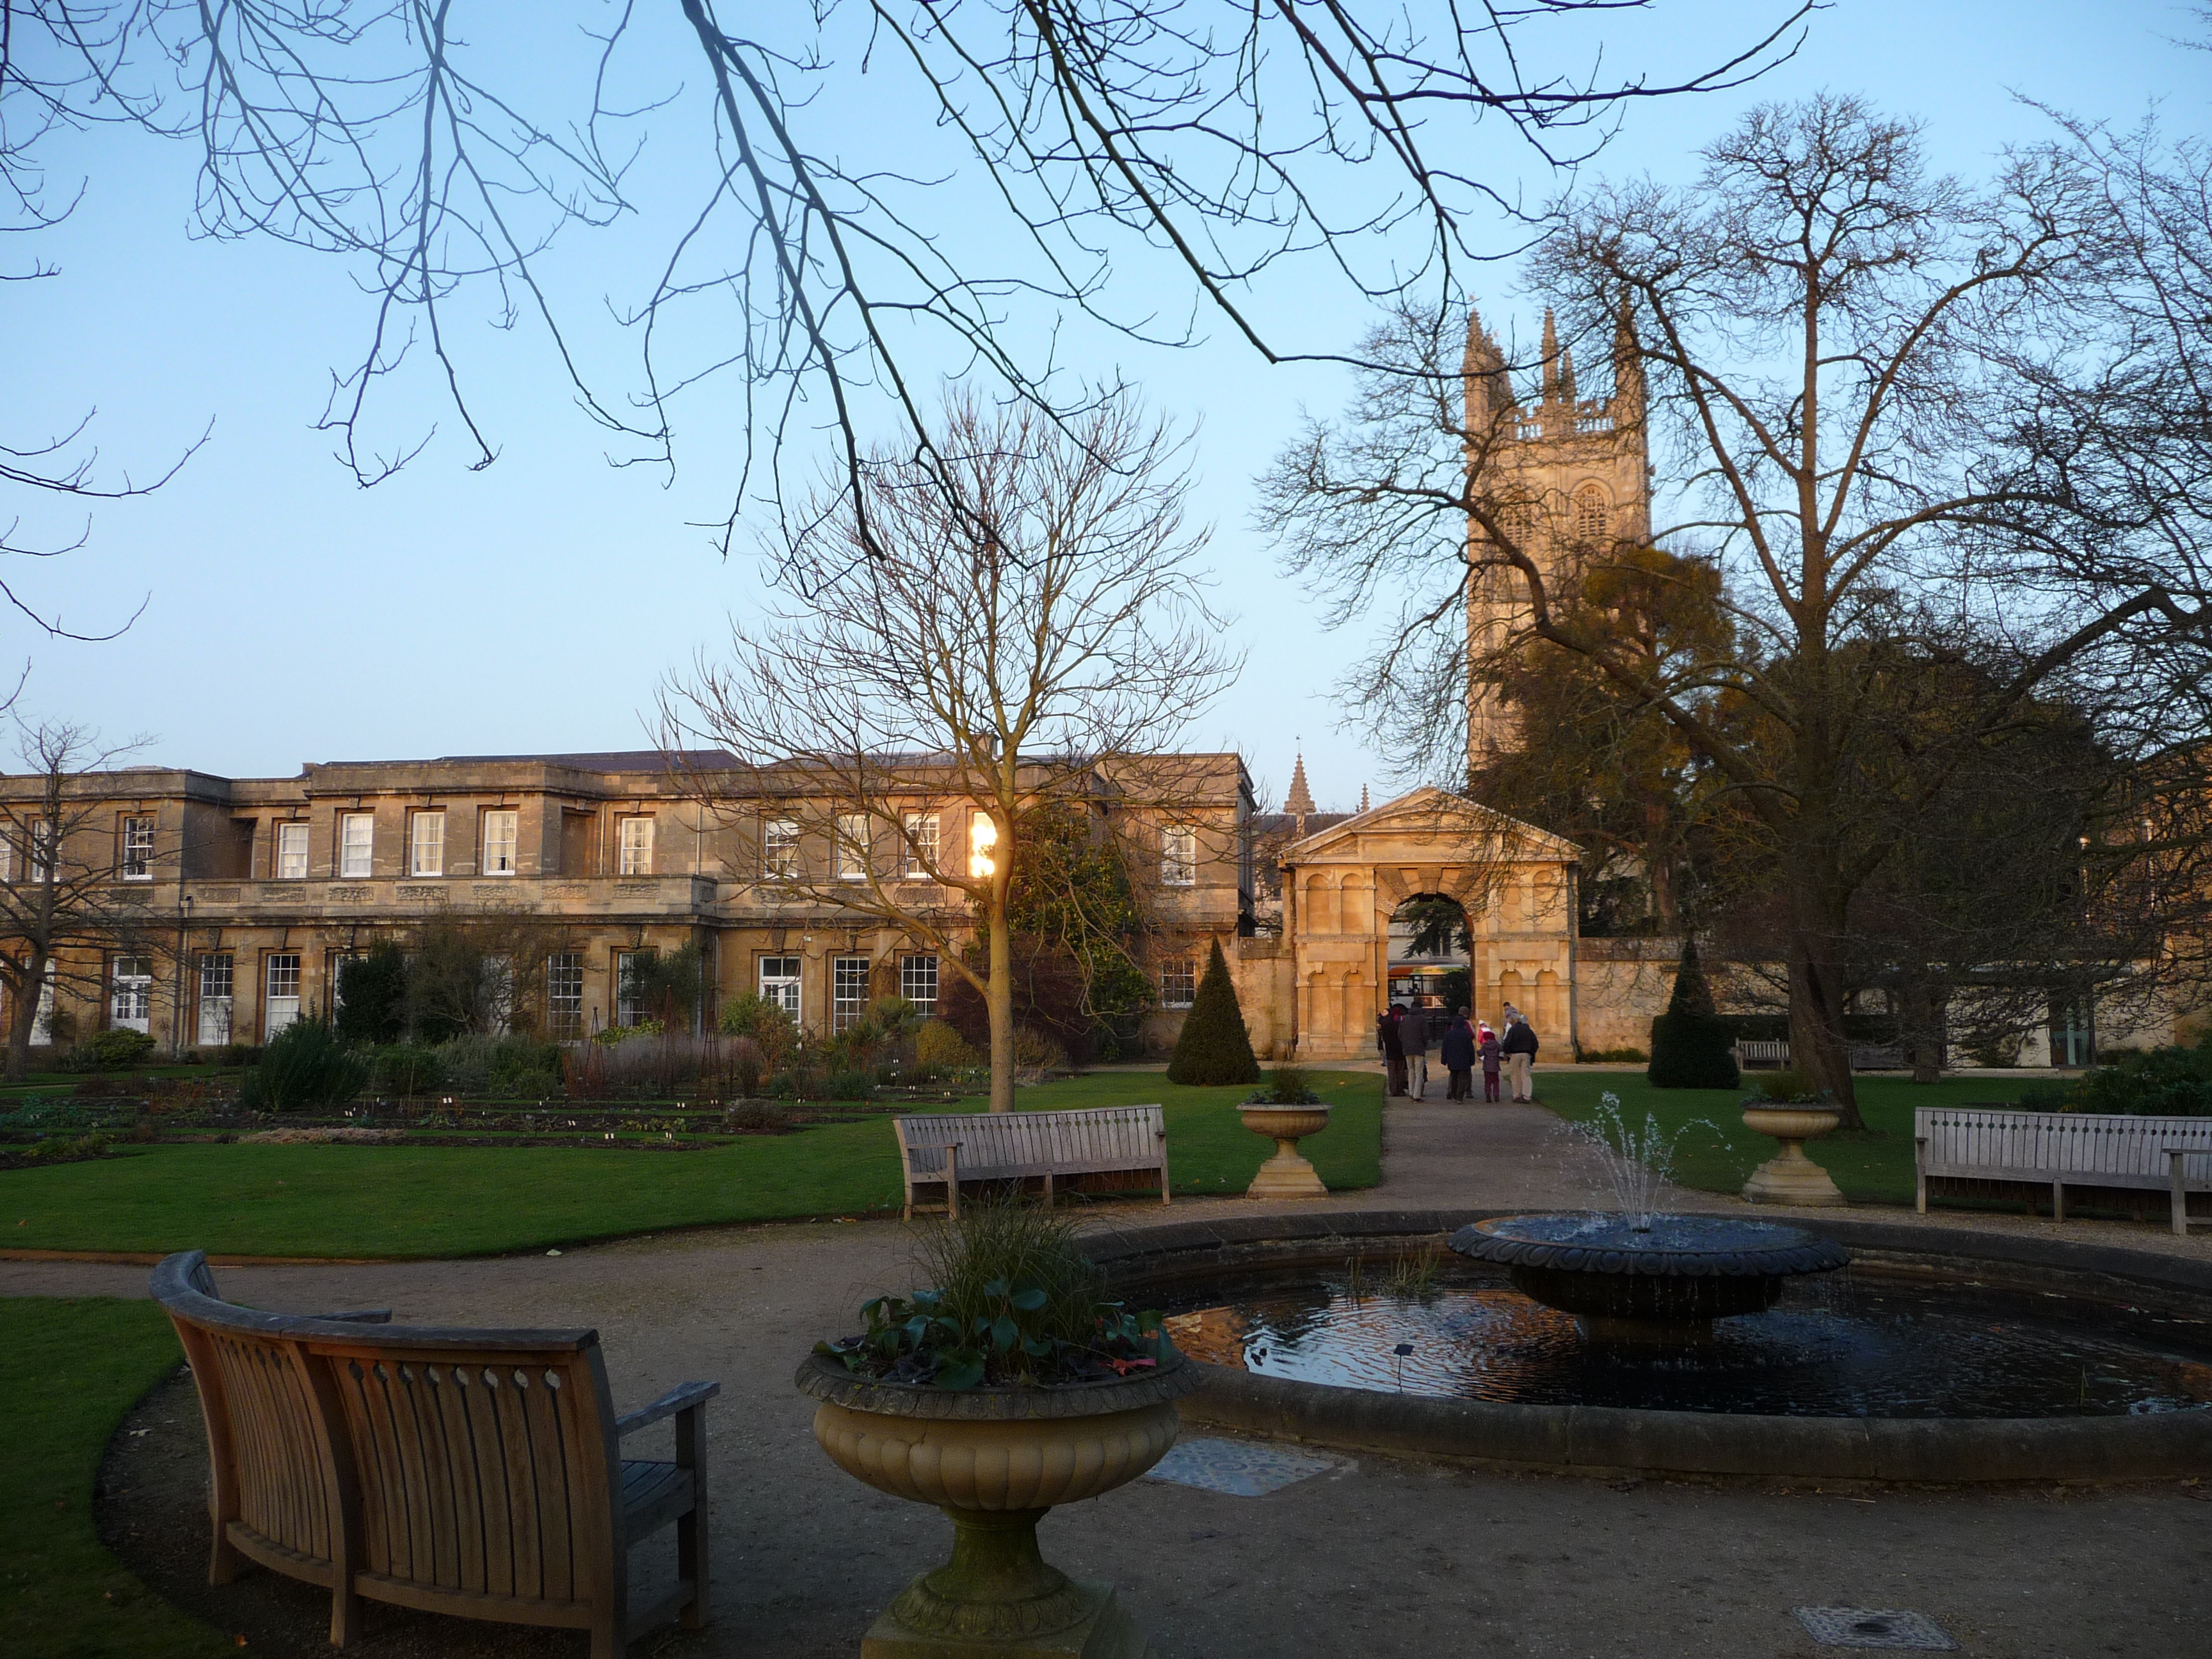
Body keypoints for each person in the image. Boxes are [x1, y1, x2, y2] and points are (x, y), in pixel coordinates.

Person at [1439, 1006, 1476, 1102]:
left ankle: (1452, 1093)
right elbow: (1471, 1047)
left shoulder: (1449, 1033)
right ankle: (1461, 1095)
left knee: (1453, 1077)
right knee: (1464, 1078)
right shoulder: (1466, 1033)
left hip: (1452, 1059)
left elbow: (1445, 1048)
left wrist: (1444, 1059)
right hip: (1464, 1059)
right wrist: (1472, 1060)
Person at [1501, 1013, 1539, 1102]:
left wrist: (1507, 1052)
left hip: (1515, 1054)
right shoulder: (1528, 1030)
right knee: (1526, 1075)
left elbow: (1507, 1043)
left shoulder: (1513, 1030)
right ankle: (1527, 1096)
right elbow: (1535, 1043)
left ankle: (1517, 1095)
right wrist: (1531, 1053)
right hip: (1526, 1054)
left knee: (1515, 1075)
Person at [1398, 999, 1430, 1099]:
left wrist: (1405, 1043)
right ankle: (1417, 1095)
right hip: (1419, 1049)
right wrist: (1424, 1044)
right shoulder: (1422, 1019)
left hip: (1407, 1049)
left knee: (1411, 1071)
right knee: (1419, 1073)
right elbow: (1426, 1034)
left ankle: (1411, 1093)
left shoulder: (1405, 1019)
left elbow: (1400, 1034)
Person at [1377, 1004, 1407, 1097]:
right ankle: (1400, 1089)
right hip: (1400, 1050)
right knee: (1400, 1072)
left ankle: (1393, 1090)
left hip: (1390, 1050)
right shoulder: (1400, 1023)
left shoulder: (1385, 1024)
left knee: (1391, 1072)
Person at [1477, 1021, 1503, 1102]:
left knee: (1488, 1081)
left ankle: (1488, 1094)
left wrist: (1478, 1052)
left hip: (1487, 1066)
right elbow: (1502, 1049)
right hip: (1495, 1065)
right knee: (1496, 1081)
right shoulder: (1496, 1044)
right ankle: (1496, 1094)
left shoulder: (1485, 1045)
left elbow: (1481, 1053)